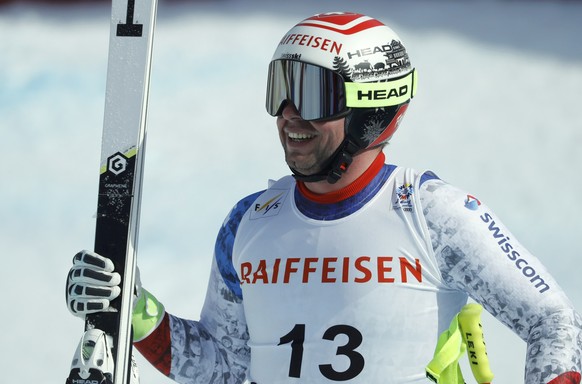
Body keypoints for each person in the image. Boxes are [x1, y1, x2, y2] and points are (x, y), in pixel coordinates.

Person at [66, 11, 582, 384]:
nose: (289, 114)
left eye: (311, 94)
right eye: (280, 90)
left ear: (372, 109)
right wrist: (132, 311)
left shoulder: (432, 215)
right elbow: (223, 366)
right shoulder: (249, 222)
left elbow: (552, 321)